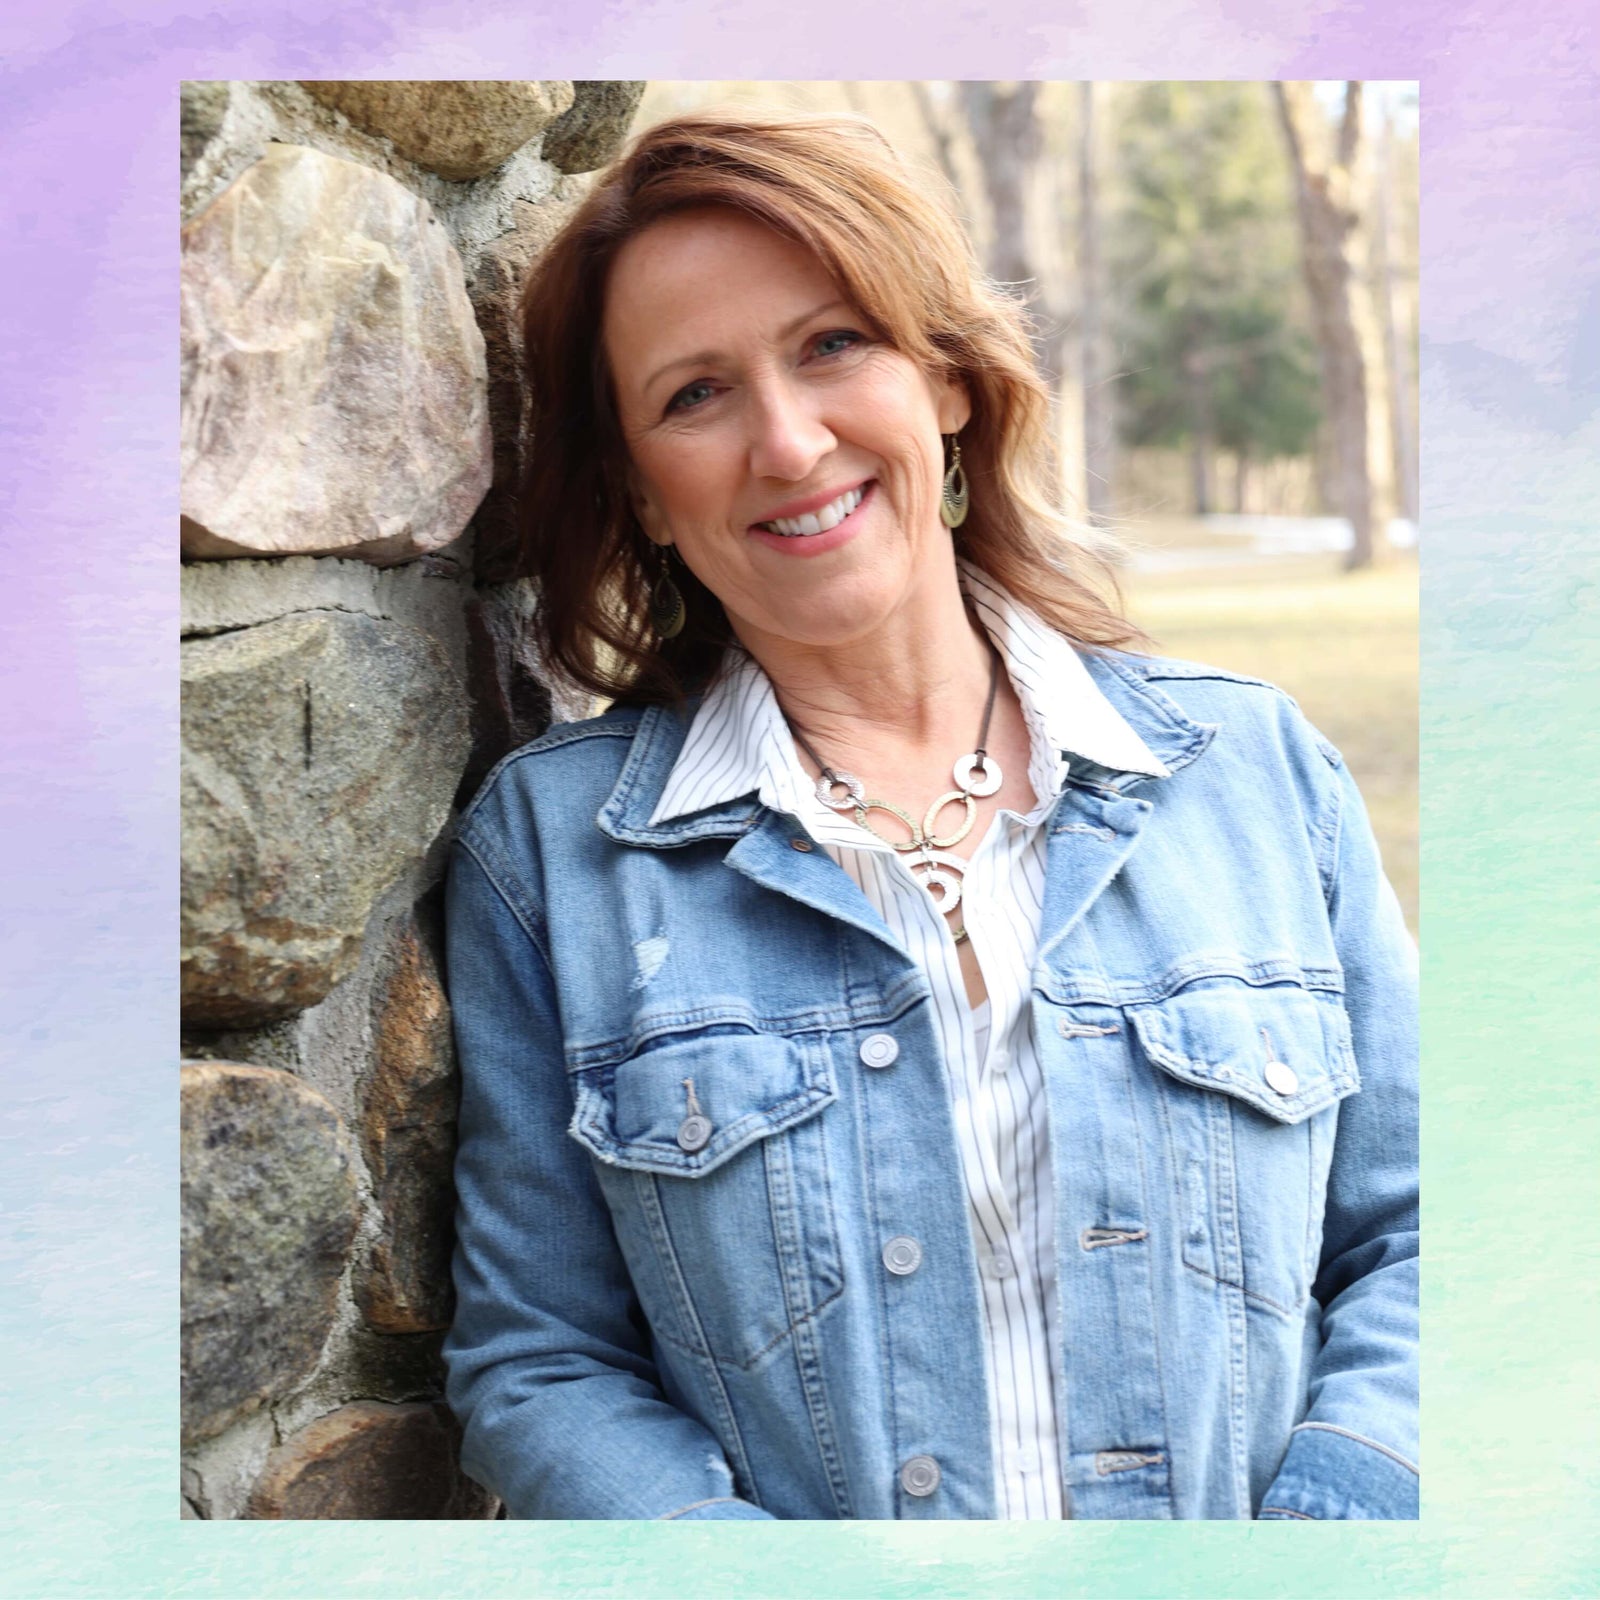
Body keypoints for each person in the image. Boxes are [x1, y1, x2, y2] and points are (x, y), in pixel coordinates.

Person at [442, 111, 1418, 1521]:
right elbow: (541, 1366)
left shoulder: (1256, 773)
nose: (787, 440)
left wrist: (1333, 1532)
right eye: (695, 396)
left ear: (948, 383)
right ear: (645, 497)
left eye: (835, 344)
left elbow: (1432, 1231)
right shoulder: (559, 861)